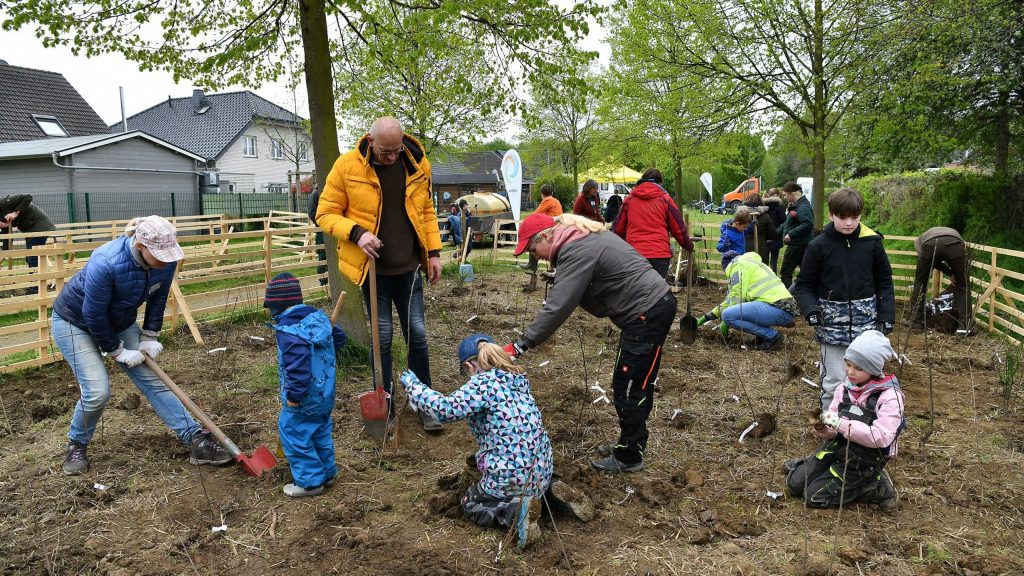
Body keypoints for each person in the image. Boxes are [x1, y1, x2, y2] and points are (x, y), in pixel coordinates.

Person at [52, 215, 231, 475]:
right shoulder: (106, 262)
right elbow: (93, 315)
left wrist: (149, 336)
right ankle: (76, 444)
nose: (165, 260)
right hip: (74, 322)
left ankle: (195, 437)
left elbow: (158, 299)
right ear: (139, 246)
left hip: (119, 319)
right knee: (97, 392)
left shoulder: (165, 262)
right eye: (159, 254)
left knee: (154, 379)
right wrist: (117, 351)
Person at [505, 213, 676, 474]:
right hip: (651, 307)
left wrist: (521, 345)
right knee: (635, 382)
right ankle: (630, 444)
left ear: (547, 236)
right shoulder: (581, 238)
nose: (535, 256)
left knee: (628, 385)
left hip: (646, 314)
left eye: (532, 249)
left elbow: (557, 308)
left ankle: (630, 456)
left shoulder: (576, 250)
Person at [316, 116, 444, 432]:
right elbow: (325, 213)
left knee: (418, 334)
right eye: (385, 151)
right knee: (381, 337)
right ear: (371, 142)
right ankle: (383, 402)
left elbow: (426, 211)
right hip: (374, 273)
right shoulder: (347, 167)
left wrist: (435, 252)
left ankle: (422, 400)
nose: (391, 157)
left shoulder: (415, 163)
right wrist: (357, 233)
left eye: (396, 150)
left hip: (410, 268)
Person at [399, 333, 553, 548]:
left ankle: (513, 513)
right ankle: (550, 495)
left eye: (465, 371)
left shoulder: (481, 384)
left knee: (471, 502)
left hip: (512, 476)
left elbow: (444, 410)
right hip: (542, 470)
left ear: (470, 365)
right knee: (515, 457)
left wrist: (414, 387)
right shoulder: (518, 378)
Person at [790, 188, 896, 411]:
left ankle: (863, 427)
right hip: (831, 329)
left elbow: (885, 282)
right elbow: (804, 285)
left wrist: (886, 316)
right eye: (842, 217)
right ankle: (832, 428)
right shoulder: (818, 246)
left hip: (866, 328)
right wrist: (811, 310)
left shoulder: (872, 243)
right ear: (831, 215)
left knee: (867, 382)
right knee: (834, 382)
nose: (849, 223)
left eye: (854, 218)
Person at [784, 330, 904, 511]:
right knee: (795, 484)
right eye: (848, 364)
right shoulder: (844, 388)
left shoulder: (889, 396)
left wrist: (841, 424)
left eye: (858, 368)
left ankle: (874, 485)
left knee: (814, 497)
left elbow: (882, 437)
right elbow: (834, 426)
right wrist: (823, 428)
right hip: (839, 446)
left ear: (874, 369)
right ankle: (820, 467)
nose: (850, 371)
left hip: (866, 457)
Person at [265, 272, 347, 497]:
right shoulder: (318, 319)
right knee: (320, 431)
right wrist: (324, 357)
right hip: (325, 394)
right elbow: (338, 338)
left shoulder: (289, 332)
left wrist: (295, 394)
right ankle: (327, 474)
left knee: (294, 434)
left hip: (303, 398)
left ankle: (310, 482)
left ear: (276, 307)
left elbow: (297, 364)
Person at [697, 252, 798, 351]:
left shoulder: (737, 266)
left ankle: (773, 336)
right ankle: (761, 336)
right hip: (782, 308)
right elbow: (729, 302)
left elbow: (737, 299)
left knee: (728, 315)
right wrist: (703, 319)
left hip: (776, 308)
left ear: (726, 266)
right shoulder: (751, 264)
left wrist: (725, 323)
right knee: (739, 311)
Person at [611, 168, 694, 278]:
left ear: (643, 179)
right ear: (660, 182)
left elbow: (618, 229)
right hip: (659, 255)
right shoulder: (665, 199)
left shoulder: (629, 199)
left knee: (636, 291)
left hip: (635, 254)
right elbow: (677, 228)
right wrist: (688, 245)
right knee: (657, 292)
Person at [909, 227, 970, 331]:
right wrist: (952, 273)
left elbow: (931, 261)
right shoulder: (950, 232)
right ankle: (964, 327)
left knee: (920, 283)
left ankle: (916, 321)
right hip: (955, 243)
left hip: (930, 245)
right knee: (962, 286)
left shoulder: (919, 242)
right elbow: (960, 254)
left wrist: (949, 272)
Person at [0, 193, 57, 292]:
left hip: (39, 225)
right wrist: (3, 255)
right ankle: (35, 285)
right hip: (29, 229)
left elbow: (28, 197)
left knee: (33, 258)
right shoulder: (1, 218)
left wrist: (15, 213)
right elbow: (8, 238)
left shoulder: (5, 203)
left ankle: (36, 289)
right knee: (29, 258)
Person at [521, 184, 563, 280]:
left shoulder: (547, 200)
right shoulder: (556, 201)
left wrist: (527, 221)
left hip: (553, 227)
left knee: (532, 238)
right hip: (559, 227)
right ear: (551, 193)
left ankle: (532, 264)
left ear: (542, 194)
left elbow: (536, 214)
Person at [778, 182, 814, 288]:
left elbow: (808, 224)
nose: (784, 197)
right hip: (798, 245)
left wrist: (791, 234)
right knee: (804, 272)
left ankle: (786, 298)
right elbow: (786, 224)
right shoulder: (796, 205)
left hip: (797, 245)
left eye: (785, 194)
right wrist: (774, 233)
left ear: (792, 194)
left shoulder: (803, 207)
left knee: (785, 272)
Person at [742, 193, 779, 267]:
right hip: (760, 249)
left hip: (744, 247)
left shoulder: (741, 214)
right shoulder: (765, 216)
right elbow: (772, 234)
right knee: (760, 272)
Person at [763, 188, 787, 273]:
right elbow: (784, 220)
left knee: (764, 260)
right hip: (775, 234)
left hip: (764, 235)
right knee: (774, 260)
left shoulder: (763, 206)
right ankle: (773, 278)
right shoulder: (779, 207)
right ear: (777, 195)